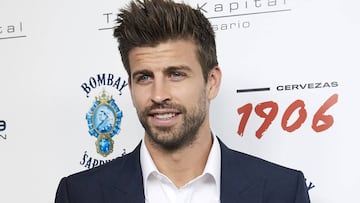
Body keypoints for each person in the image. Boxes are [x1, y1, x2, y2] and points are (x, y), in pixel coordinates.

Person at [55, 0, 311, 202]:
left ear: (211, 82)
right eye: (144, 77)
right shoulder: (80, 194)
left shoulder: (282, 191)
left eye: (176, 74)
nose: (158, 95)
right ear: (131, 87)